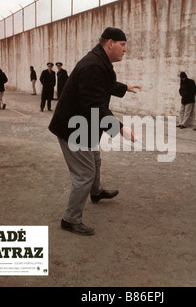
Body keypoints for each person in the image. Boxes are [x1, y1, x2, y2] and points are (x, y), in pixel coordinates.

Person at [49, 27, 140, 236]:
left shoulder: (99, 62)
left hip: (83, 123)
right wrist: (120, 128)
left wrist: (124, 87)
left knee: (95, 159)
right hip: (73, 127)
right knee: (84, 173)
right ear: (110, 43)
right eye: (123, 45)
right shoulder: (93, 65)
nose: (125, 50)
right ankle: (70, 219)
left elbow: (104, 85)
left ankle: (96, 192)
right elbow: (95, 105)